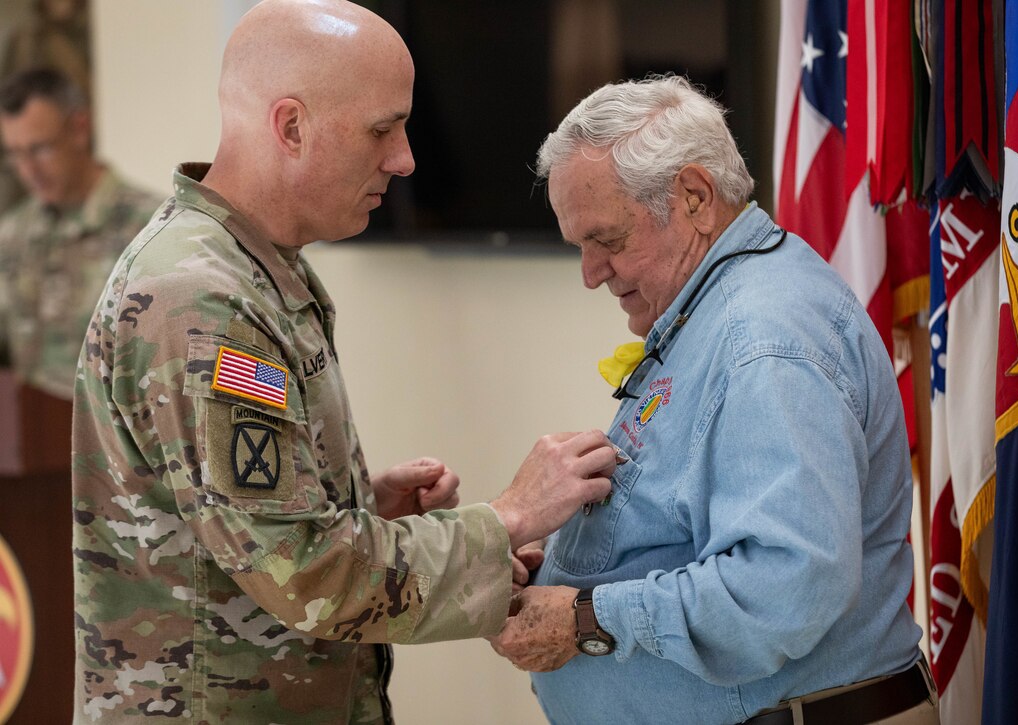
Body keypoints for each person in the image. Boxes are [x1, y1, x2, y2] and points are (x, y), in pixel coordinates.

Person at [70, 1, 615, 722]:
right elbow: (304, 570)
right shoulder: (201, 299)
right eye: (382, 128)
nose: (406, 157)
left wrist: (357, 505)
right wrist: (509, 515)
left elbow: (243, 522)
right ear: (291, 126)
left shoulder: (256, 266)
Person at [489, 76, 939, 725]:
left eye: (607, 241)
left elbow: (784, 586)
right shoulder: (716, 310)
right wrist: (569, 570)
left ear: (695, 196)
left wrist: (586, 617)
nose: (590, 273)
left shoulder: (762, 340)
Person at [0, 66, 157, 399]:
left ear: (79, 129)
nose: (29, 171)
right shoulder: (12, 235)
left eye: (40, 149)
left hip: (116, 442)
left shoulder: (151, 228)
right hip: (32, 436)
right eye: (15, 154)